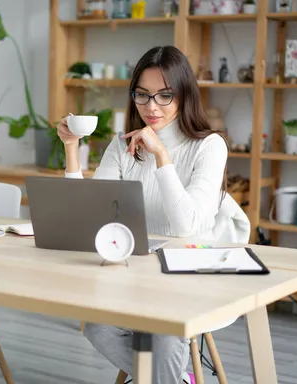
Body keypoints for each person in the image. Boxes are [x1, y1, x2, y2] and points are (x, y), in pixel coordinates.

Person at [56, 45, 248, 383]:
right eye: (142, 96)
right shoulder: (122, 145)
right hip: (136, 273)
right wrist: (72, 149)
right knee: (97, 326)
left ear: (184, 94)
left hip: (192, 276)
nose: (151, 107)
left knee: (162, 331)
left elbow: (187, 225)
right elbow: (88, 213)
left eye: (163, 96)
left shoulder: (209, 146)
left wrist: (161, 154)